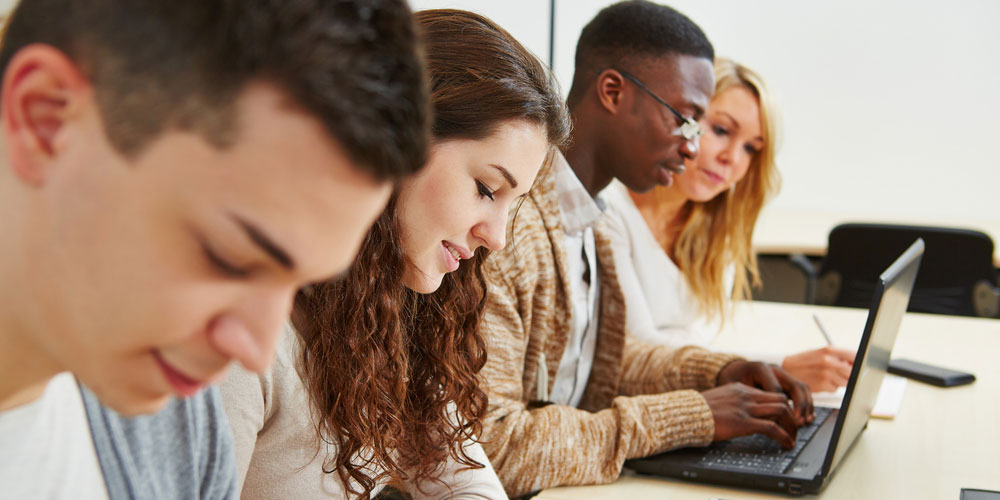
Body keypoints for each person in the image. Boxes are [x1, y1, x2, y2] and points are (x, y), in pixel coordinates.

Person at [0, 1, 428, 498]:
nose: (256, 350)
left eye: (301, 285)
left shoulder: (181, 427)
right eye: (228, 257)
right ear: (45, 119)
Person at [219, 9, 570, 500]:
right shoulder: (240, 333)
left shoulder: (392, 308)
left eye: (515, 206)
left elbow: (462, 482)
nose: (497, 237)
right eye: (487, 189)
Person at [477, 1, 815, 496]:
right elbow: (493, 448)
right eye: (686, 118)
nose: (693, 147)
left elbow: (601, 359)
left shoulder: (590, 216)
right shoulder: (510, 226)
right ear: (613, 92)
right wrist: (691, 416)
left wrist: (719, 372)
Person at [605, 57, 856, 392]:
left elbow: (699, 343)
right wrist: (778, 370)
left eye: (751, 148)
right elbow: (640, 355)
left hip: (690, 399)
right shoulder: (609, 210)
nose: (733, 159)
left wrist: (769, 370)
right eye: (722, 130)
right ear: (684, 120)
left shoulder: (712, 225)